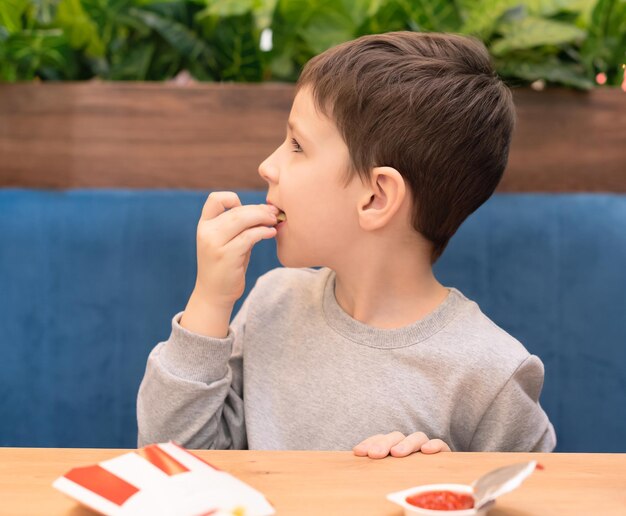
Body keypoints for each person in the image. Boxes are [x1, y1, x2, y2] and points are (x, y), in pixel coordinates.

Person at [137, 31, 556, 457]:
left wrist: (445, 490)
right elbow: (170, 461)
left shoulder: (491, 373)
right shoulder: (272, 303)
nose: (267, 166)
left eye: (298, 146)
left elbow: (535, 497)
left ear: (376, 198)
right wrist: (209, 300)